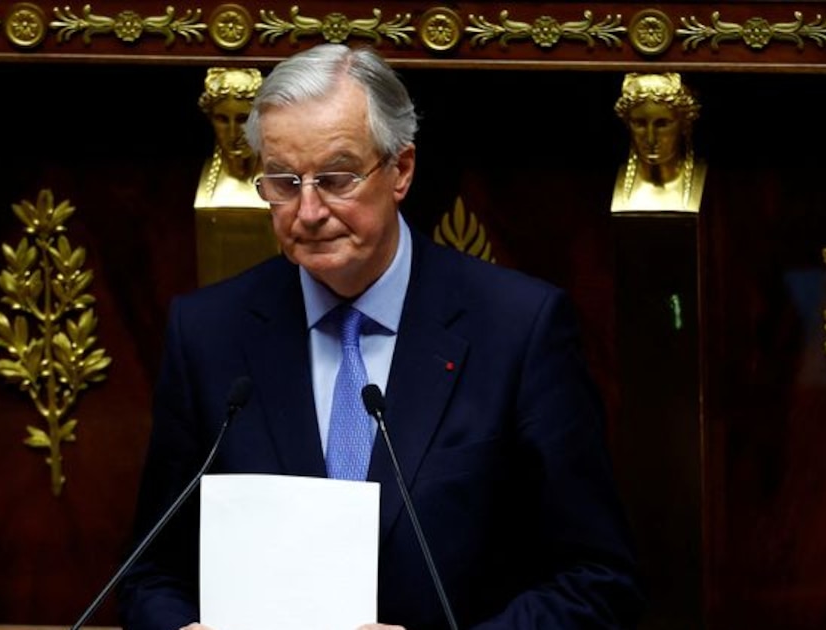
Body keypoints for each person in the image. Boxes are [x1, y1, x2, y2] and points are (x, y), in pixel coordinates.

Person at [119, 43, 642, 630]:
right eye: (284, 183)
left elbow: (597, 579)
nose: (308, 211)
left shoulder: (519, 328)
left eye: (336, 178)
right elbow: (148, 575)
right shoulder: (208, 333)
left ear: (401, 170)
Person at [610, 72, 705, 213]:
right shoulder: (608, 182)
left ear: (685, 125)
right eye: (639, 124)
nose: (651, 139)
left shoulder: (711, 182)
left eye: (662, 124)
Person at [194, 66, 268, 209]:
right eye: (222, 119)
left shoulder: (282, 180)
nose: (233, 133)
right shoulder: (207, 182)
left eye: (243, 119)